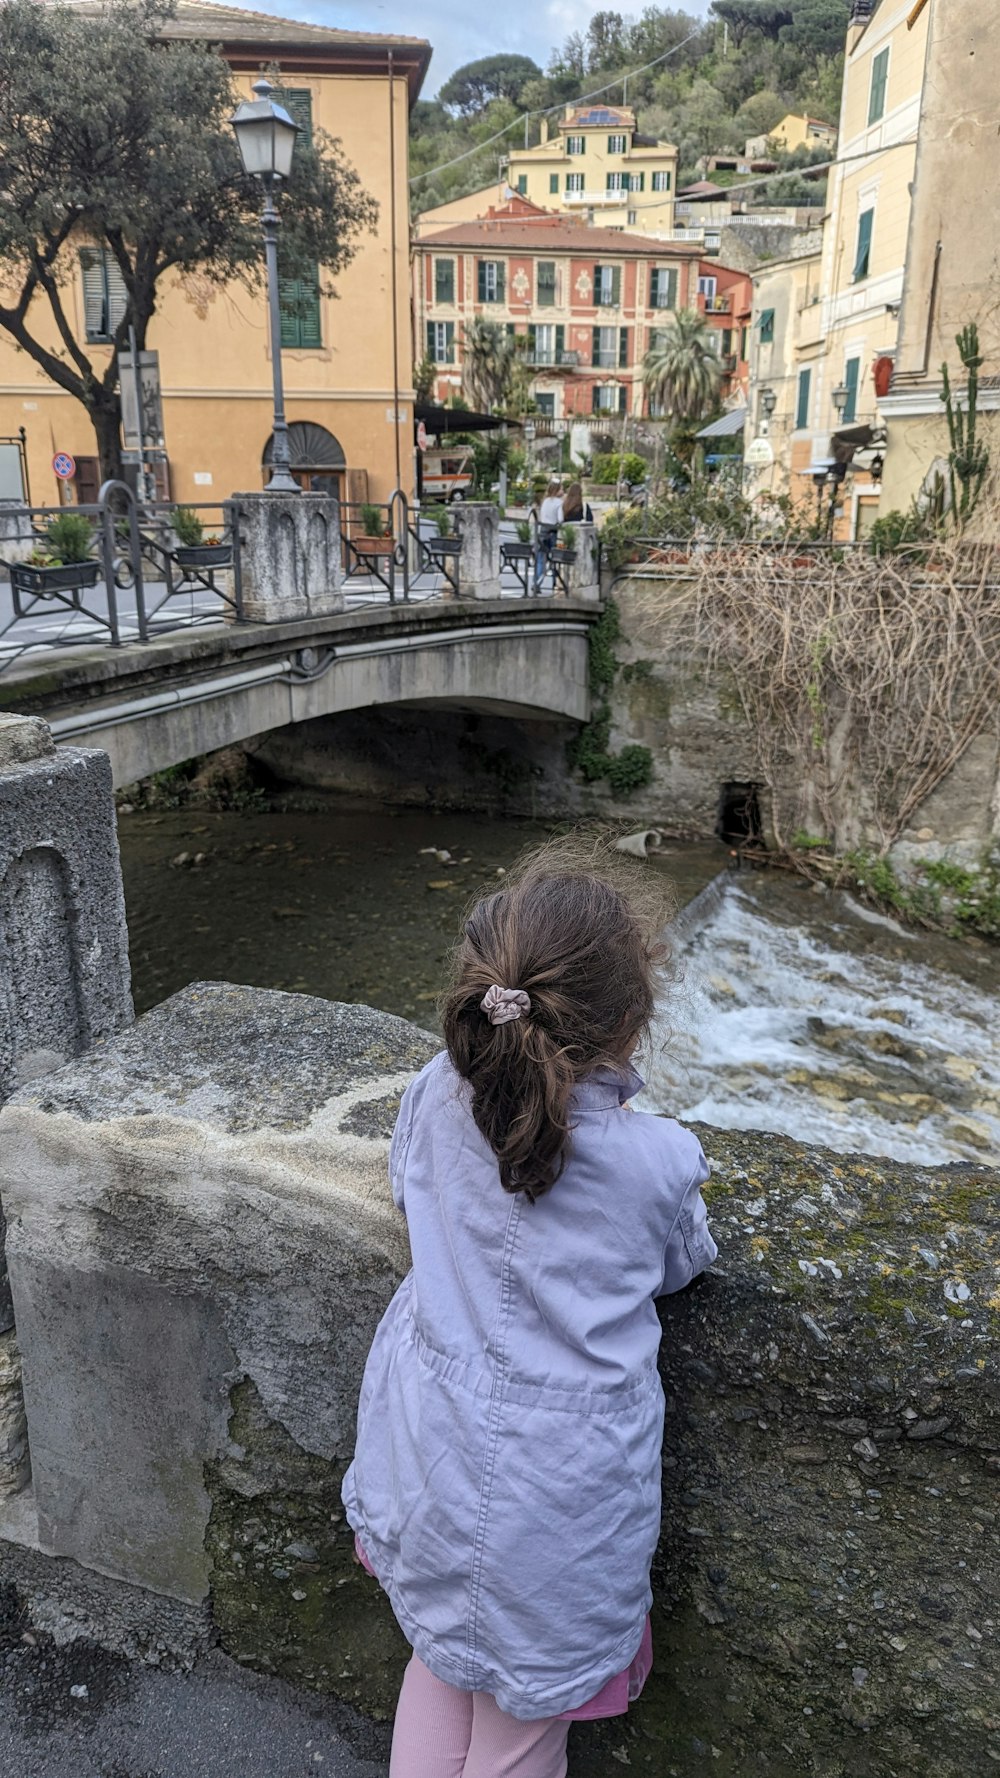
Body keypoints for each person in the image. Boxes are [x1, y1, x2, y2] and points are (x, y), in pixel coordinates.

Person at [343, 838, 717, 1778]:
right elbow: (679, 1265)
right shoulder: (658, 1160)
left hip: (428, 1452)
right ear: (632, 1022)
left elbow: (408, 1189)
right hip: (563, 1503)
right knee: (520, 1732)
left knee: (438, 1666)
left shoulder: (435, 1095)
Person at [533, 480, 563, 592]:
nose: (563, 491)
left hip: (542, 531)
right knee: (555, 558)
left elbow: (541, 517)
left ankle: (536, 583)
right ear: (557, 490)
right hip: (553, 532)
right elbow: (560, 519)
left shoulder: (545, 501)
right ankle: (555, 583)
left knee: (541, 559)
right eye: (561, 489)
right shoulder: (559, 503)